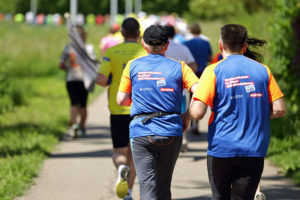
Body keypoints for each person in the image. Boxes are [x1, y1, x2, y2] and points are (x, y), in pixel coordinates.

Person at [189, 24, 286, 200]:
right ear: (245, 46)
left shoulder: (213, 71)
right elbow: (279, 109)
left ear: (220, 45)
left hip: (221, 148)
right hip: (253, 148)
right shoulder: (263, 70)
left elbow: (196, 113)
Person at [117, 25, 199, 200]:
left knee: (147, 186)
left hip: (141, 131)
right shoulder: (180, 67)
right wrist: (187, 115)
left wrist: (140, 99)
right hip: (172, 130)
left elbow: (121, 99)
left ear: (144, 44)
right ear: (166, 45)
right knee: (163, 186)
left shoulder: (133, 66)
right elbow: (199, 91)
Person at [96, 17, 147, 200]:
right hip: (141, 110)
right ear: (139, 34)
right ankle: (129, 193)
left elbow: (101, 80)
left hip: (118, 109)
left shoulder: (112, 51)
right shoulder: (145, 52)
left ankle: (120, 168)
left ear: (122, 33)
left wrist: (111, 79)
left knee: (119, 151)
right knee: (134, 154)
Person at [164, 25, 197, 152]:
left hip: (161, 88)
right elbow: (194, 65)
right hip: (180, 88)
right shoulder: (183, 48)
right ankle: (182, 137)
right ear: (174, 34)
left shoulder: (160, 49)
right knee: (181, 113)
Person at [59, 25, 97, 138]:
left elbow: (61, 64)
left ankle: (74, 125)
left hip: (71, 78)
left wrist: (69, 69)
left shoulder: (69, 47)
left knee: (73, 103)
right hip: (85, 79)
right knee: (84, 104)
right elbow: (93, 64)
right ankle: (83, 126)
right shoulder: (89, 48)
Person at [184, 22, 213, 135]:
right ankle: (199, 124)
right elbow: (210, 58)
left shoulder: (187, 43)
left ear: (191, 30)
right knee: (202, 99)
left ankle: (192, 124)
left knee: (191, 98)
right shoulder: (205, 42)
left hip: (191, 73)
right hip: (203, 73)